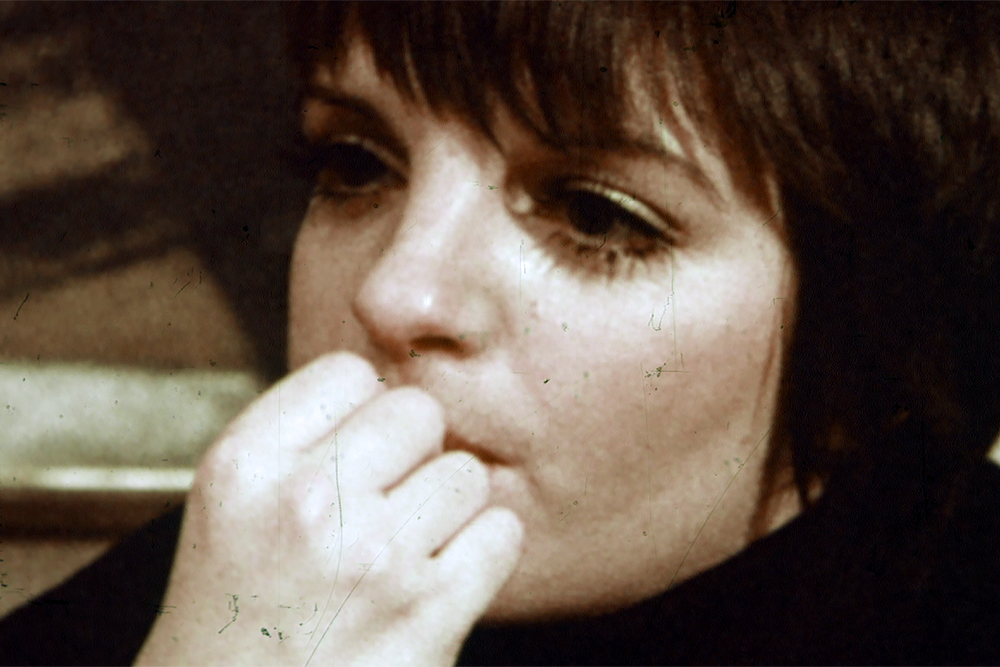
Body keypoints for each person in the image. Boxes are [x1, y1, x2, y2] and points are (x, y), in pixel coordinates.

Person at [5, 1, 1000, 665]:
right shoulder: (238, 586)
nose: (396, 293)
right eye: (354, 164)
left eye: (596, 216)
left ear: (890, 338)